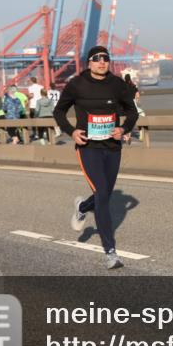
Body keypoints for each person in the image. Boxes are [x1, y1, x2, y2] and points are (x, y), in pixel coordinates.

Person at [53, 45, 139, 270]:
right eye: (97, 59)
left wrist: (124, 129)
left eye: (106, 59)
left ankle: (82, 207)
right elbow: (58, 112)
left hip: (112, 147)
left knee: (104, 196)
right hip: (88, 147)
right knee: (102, 193)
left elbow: (132, 111)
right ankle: (110, 252)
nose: (102, 62)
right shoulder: (76, 84)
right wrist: (71, 131)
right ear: (89, 62)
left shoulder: (117, 84)